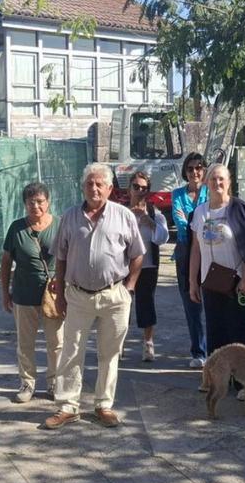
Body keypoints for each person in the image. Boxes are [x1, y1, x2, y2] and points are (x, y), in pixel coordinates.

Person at [43, 163, 144, 429]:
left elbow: (137, 254)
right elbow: (61, 256)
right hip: (77, 295)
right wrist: (62, 292)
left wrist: (129, 287)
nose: (95, 188)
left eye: (100, 184)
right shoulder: (69, 217)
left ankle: (104, 405)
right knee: (71, 351)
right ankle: (67, 406)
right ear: (83, 186)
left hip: (114, 295)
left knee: (109, 353)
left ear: (110, 188)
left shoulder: (124, 216)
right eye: (90, 183)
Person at [189, 164, 245, 395]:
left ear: (229, 181)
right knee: (215, 331)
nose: (217, 183)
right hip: (211, 281)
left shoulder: (238, 208)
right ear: (206, 183)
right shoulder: (200, 212)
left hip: (236, 282)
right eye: (213, 179)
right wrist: (193, 281)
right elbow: (195, 249)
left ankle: (244, 383)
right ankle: (216, 378)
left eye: (221, 179)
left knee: (238, 332)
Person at [0, 182, 63, 403]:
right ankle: (27, 383)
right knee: (25, 342)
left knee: (56, 342)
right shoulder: (17, 228)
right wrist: (5, 293)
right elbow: (6, 261)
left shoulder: (60, 225)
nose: (35, 206)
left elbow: (71, 256)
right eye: (30, 202)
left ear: (48, 202)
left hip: (53, 296)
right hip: (23, 294)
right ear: (25, 204)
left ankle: (54, 382)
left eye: (40, 201)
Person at [171, 153, 209, 367]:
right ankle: (198, 352)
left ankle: (215, 349)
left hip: (210, 251)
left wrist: (196, 222)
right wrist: (199, 222)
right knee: (191, 304)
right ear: (185, 172)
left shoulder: (209, 191)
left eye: (199, 167)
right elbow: (180, 221)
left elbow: (208, 218)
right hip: (185, 252)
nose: (195, 172)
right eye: (190, 168)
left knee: (212, 302)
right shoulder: (177, 194)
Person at [128, 171, 170, 362]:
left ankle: (148, 343)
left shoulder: (155, 213)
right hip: (123, 268)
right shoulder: (120, 212)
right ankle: (118, 344)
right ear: (130, 188)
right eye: (136, 187)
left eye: (144, 188)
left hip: (148, 266)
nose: (139, 191)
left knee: (146, 305)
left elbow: (163, 238)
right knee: (121, 306)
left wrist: (149, 221)